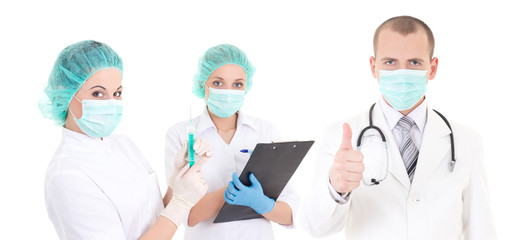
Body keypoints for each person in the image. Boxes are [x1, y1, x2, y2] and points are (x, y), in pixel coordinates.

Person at [300, 16, 496, 239]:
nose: (402, 73)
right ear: (374, 67)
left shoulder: (466, 140)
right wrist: (335, 189)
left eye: (414, 62)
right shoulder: (340, 135)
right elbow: (315, 228)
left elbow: (481, 230)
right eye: (390, 62)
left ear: (432, 69)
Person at [40, 40, 213, 239]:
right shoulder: (67, 176)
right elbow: (169, 217)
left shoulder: (123, 145)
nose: (111, 103)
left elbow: (156, 219)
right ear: (66, 95)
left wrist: (177, 182)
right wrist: (181, 205)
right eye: (98, 93)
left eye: (117, 93)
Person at [164, 44, 299, 239]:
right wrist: (230, 192)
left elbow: (289, 215)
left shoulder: (266, 132)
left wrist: (262, 203)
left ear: (246, 86)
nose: (228, 91)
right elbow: (186, 216)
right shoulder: (181, 135)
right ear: (204, 85)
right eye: (218, 83)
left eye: (237, 84)